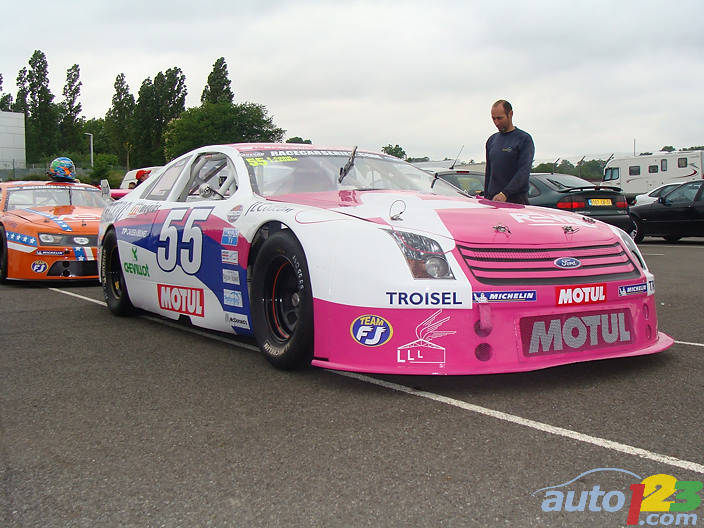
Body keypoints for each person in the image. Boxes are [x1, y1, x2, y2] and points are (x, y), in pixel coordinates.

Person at [484, 100, 534, 204]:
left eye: (500, 118)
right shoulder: (491, 140)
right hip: (494, 201)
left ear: (510, 114)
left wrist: (505, 193)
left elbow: (523, 172)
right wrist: (486, 197)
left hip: (516, 201)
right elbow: (489, 172)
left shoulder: (524, 139)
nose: (496, 122)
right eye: (493, 118)